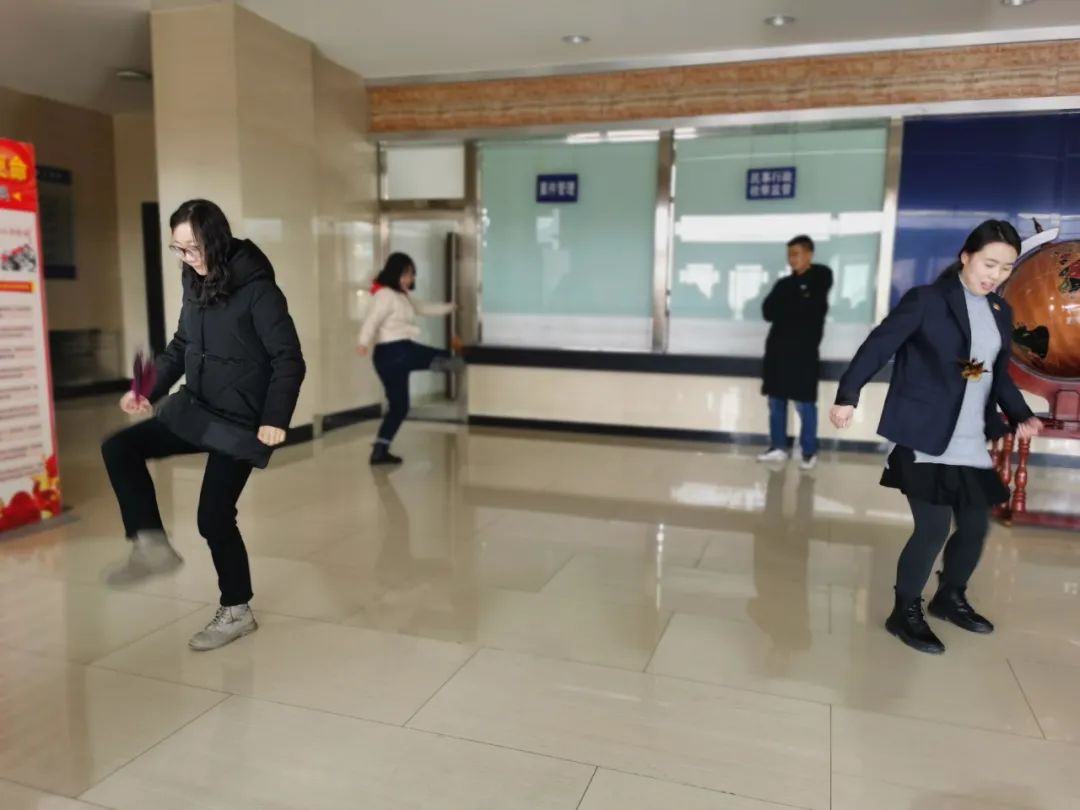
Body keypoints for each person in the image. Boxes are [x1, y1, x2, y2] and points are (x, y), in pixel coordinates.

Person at [830, 219, 1042, 654]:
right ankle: (904, 612)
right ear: (966, 257)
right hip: (923, 436)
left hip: (969, 439)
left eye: (1006, 268)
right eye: (989, 264)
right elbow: (879, 346)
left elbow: (988, 372)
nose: (996, 275)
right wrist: (848, 395)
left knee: (975, 527)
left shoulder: (998, 311)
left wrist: (1021, 413)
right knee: (933, 528)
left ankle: (949, 597)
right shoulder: (927, 300)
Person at [101, 199, 305, 652]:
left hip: (240, 421)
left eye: (193, 247)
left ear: (215, 239)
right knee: (119, 448)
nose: (187, 257)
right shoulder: (193, 280)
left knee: (212, 517)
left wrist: (275, 419)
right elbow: (181, 344)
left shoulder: (259, 290)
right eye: (178, 248)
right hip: (197, 407)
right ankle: (151, 544)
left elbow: (288, 359)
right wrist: (146, 388)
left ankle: (237, 610)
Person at [357, 252, 460, 466]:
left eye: (412, 274)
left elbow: (424, 308)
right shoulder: (385, 295)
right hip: (395, 350)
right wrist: (363, 342)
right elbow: (372, 319)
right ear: (395, 273)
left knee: (399, 407)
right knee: (446, 358)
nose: (409, 279)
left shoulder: (402, 296)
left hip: (393, 355)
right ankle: (450, 361)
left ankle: (380, 451)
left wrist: (451, 307)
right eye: (406, 274)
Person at [757, 235, 833, 470]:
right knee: (776, 401)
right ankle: (778, 447)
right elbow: (767, 311)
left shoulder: (820, 278)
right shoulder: (784, 284)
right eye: (789, 254)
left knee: (804, 403)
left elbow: (810, 308)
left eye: (796, 254)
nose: (792, 259)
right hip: (778, 351)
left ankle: (809, 451)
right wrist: (795, 302)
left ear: (809, 255)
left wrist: (790, 304)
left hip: (803, 353)